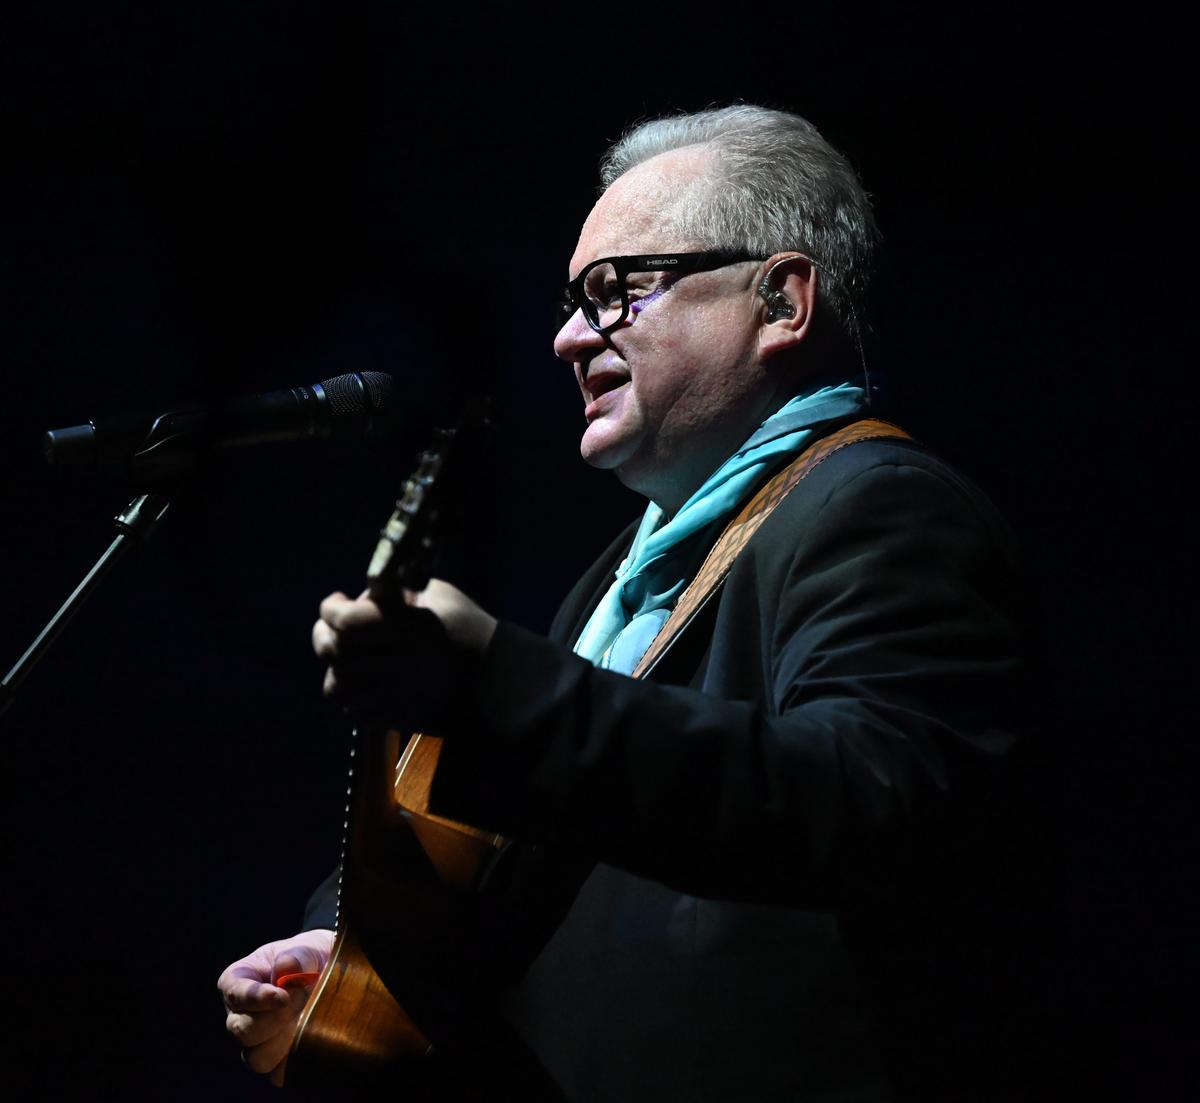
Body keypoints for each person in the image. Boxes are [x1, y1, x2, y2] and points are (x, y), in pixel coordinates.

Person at [220, 106, 1042, 1101]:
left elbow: (866, 803)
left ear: (782, 301)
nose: (569, 337)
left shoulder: (883, 505)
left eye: (615, 291)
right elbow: (544, 839)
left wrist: (503, 686)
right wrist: (346, 949)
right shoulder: (622, 576)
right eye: (573, 300)